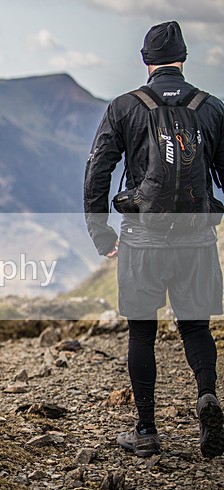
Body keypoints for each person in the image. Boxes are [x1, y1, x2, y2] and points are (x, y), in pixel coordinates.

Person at [84, 21, 224, 458]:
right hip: (196, 238)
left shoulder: (125, 107)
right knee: (196, 326)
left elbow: (98, 170)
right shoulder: (211, 108)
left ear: (145, 60)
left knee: (142, 331)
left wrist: (100, 231)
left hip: (142, 239)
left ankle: (146, 429)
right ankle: (207, 395)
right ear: (184, 58)